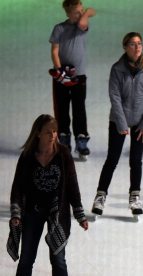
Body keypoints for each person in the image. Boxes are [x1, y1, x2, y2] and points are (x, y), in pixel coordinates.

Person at [8, 115, 89, 276]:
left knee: (58, 260)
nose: (53, 135)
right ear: (38, 133)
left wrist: (80, 215)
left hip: (57, 214)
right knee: (26, 258)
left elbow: (72, 185)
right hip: (32, 212)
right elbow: (17, 187)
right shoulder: (27, 156)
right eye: (48, 132)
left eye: (54, 131)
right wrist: (16, 213)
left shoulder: (63, 155)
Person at [92, 32, 143, 219]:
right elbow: (114, 96)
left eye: (140, 43)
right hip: (118, 119)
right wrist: (121, 123)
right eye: (133, 44)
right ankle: (100, 196)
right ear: (125, 47)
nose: (137, 47)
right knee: (112, 159)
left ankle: (135, 197)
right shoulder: (117, 69)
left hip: (140, 121)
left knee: (136, 160)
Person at [49, 0, 95, 158]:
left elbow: (82, 22)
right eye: (77, 12)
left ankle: (81, 138)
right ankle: (64, 138)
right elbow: (55, 51)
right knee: (62, 107)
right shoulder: (59, 28)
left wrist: (87, 12)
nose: (81, 14)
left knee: (79, 108)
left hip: (79, 76)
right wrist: (59, 71)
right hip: (61, 76)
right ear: (67, 14)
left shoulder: (81, 28)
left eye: (81, 11)